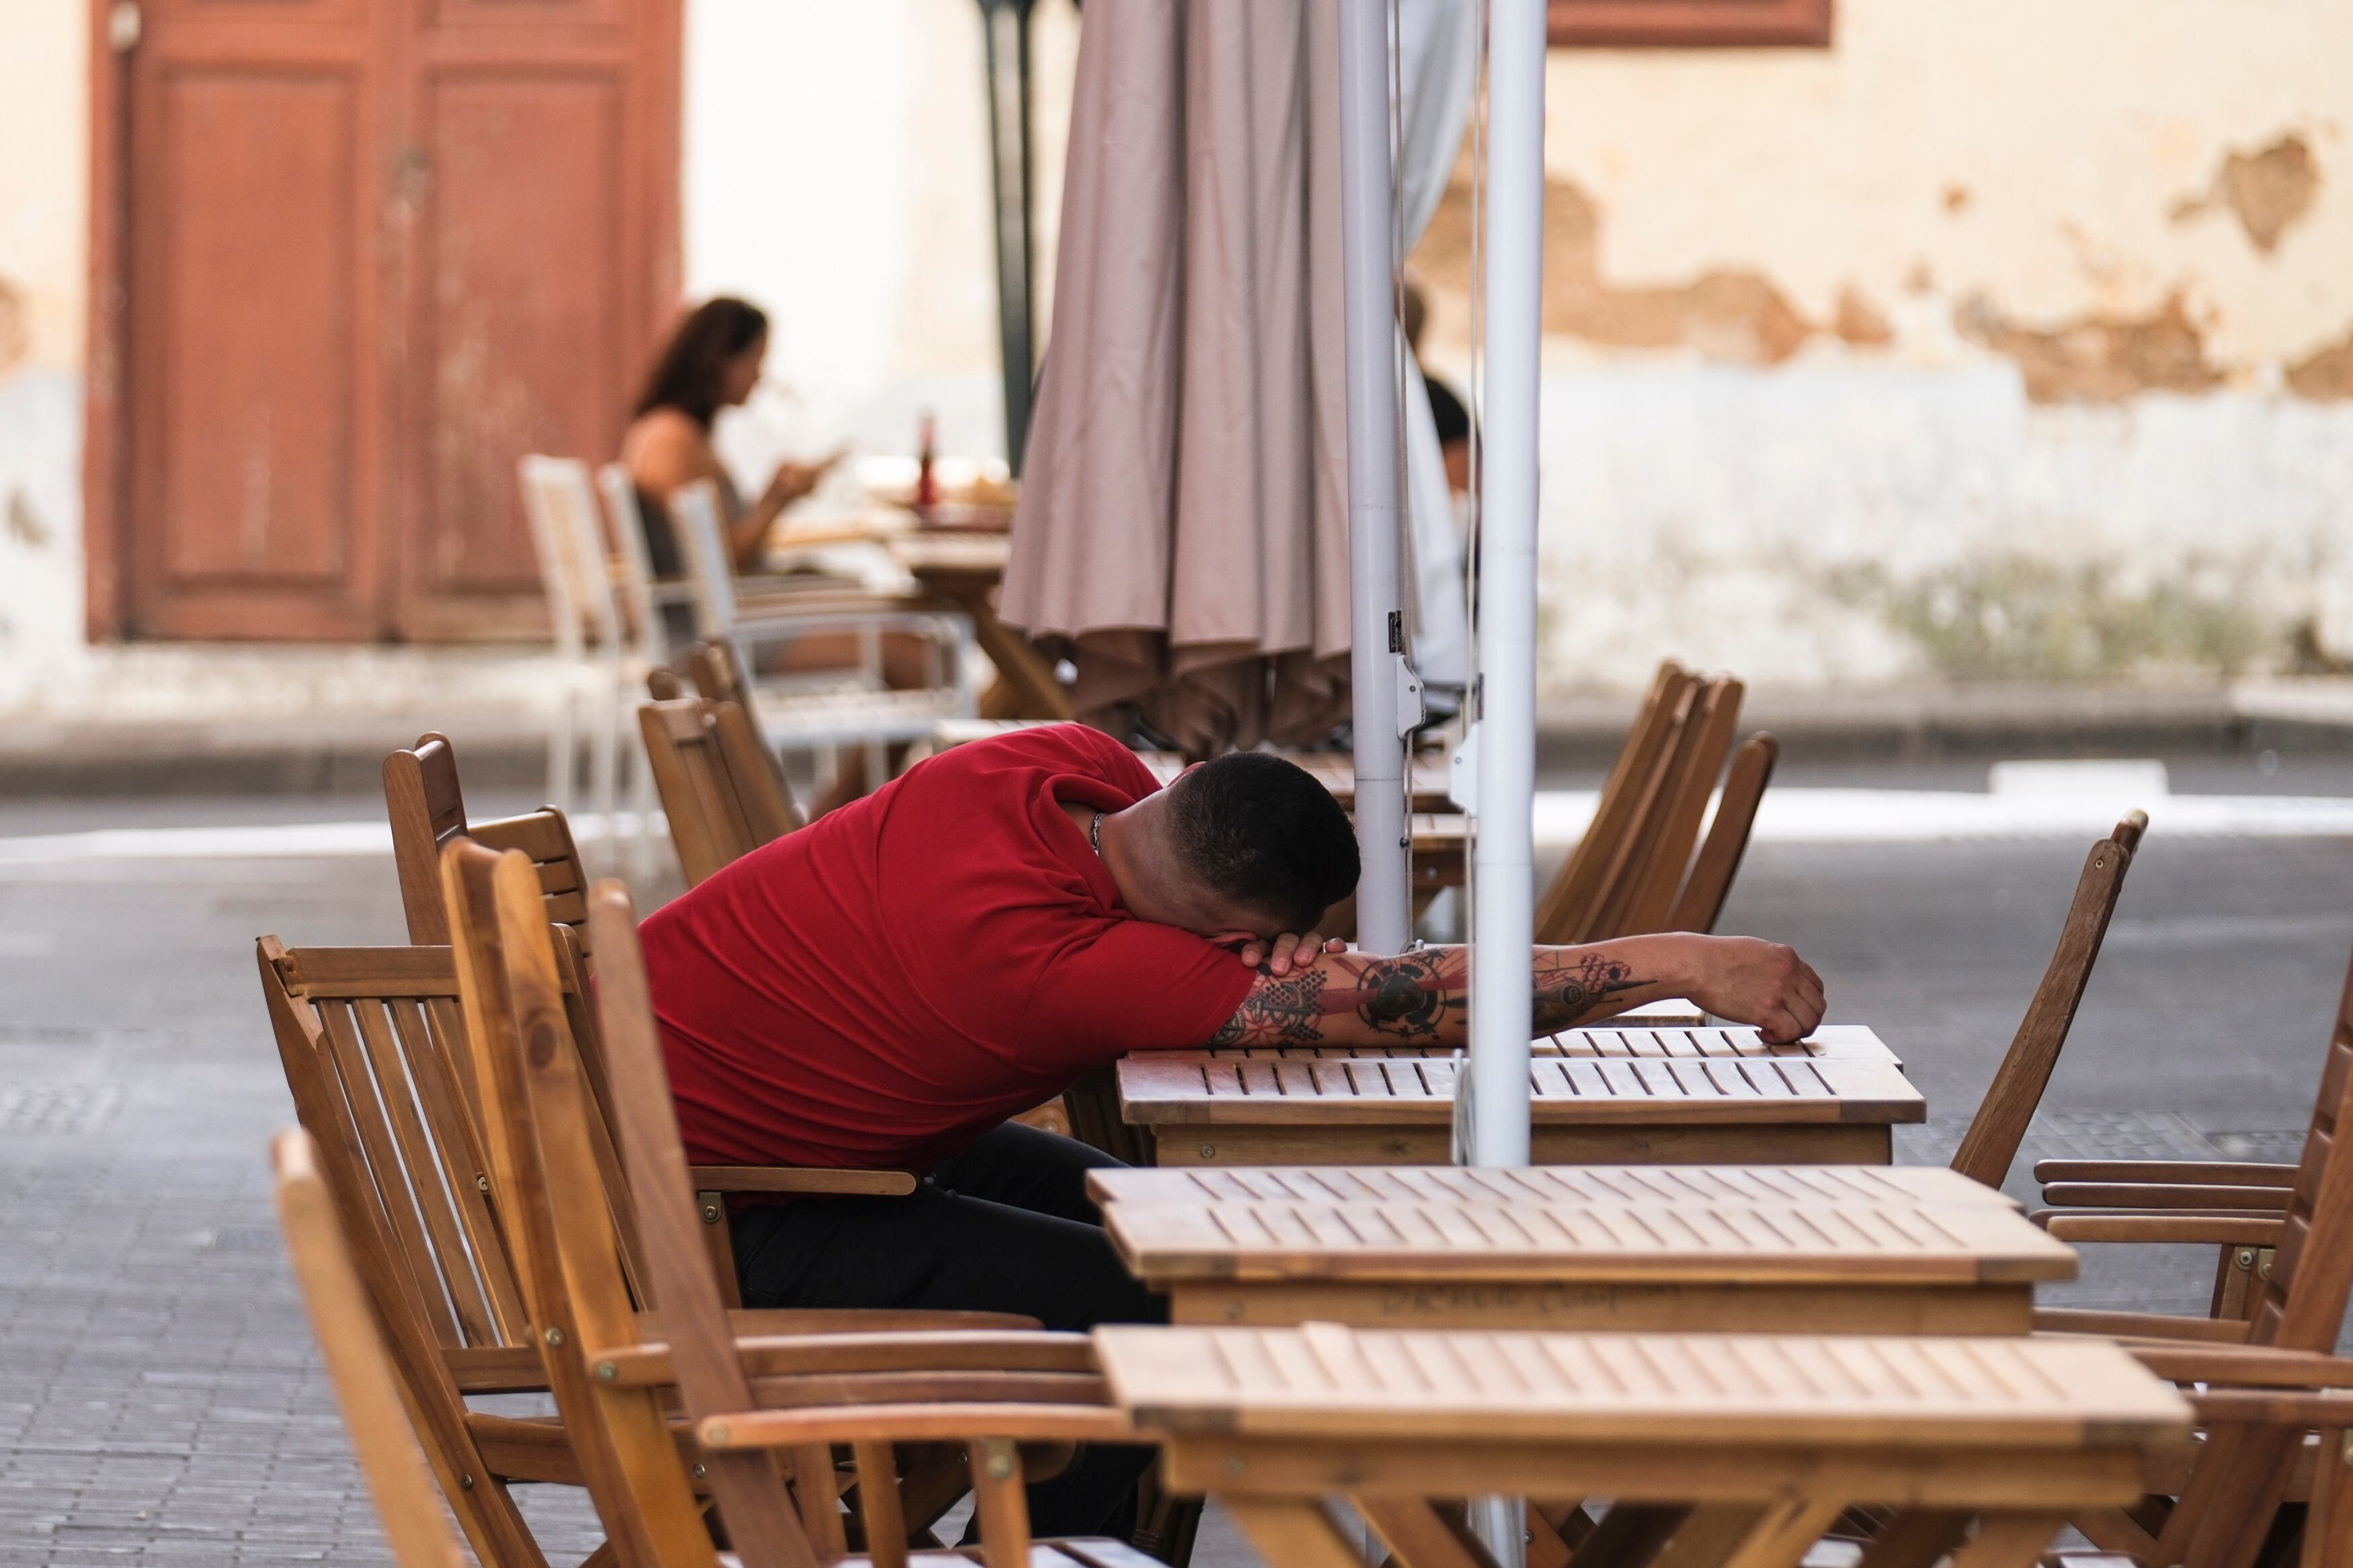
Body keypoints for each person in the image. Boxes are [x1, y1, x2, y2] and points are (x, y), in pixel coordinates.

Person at [639, 723, 1827, 1536]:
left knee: (1148, 1214)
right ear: (1235, 918)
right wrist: (1681, 960)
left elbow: (1324, 966)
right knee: (1140, 1301)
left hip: (694, 1129)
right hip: (702, 1210)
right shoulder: (1048, 964)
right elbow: (1415, 1006)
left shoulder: (1062, 765)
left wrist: (1240, 950)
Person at [621, 297, 834, 581]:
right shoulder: (673, 440)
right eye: (756, 360)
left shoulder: (677, 432)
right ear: (721, 360)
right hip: (717, 617)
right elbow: (724, 564)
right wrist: (777, 498)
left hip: (730, 605)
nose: (760, 377)